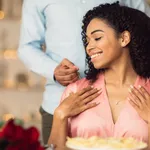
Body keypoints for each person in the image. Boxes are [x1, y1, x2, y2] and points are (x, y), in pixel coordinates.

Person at [18, 0, 150, 145]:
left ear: (124, 38)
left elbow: (144, 26)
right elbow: (26, 47)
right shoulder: (73, 92)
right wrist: (54, 72)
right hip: (59, 99)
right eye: (86, 41)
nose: (88, 48)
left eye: (97, 38)